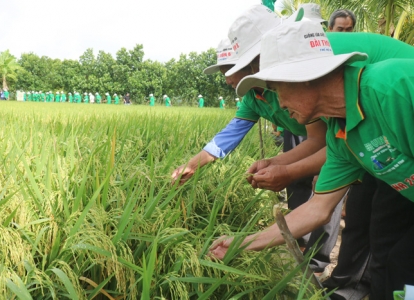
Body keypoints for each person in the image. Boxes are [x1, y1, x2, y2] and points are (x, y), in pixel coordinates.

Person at [212, 17, 414, 299]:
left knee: (403, 264)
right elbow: (317, 208)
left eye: (278, 89)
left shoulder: (393, 87)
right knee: (395, 264)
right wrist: (242, 243)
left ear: (304, 76)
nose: (278, 104)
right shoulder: (343, 134)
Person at [171, 5, 339, 275]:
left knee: (328, 186)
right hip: (312, 131)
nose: (226, 78)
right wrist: (192, 165)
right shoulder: (253, 97)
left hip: (330, 127)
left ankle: (318, 262)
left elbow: (325, 142)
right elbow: (227, 137)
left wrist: (281, 167)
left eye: (230, 69)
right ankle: (298, 240)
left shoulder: (303, 73)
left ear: (253, 62)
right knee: (300, 186)